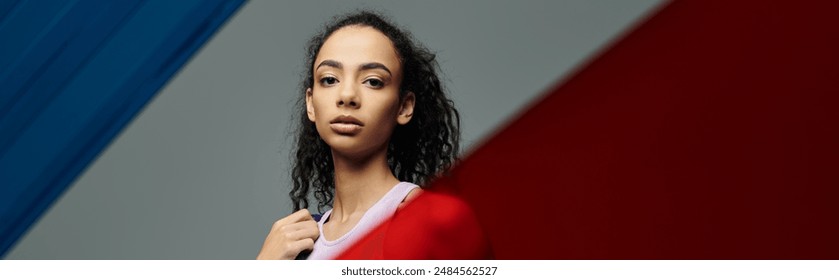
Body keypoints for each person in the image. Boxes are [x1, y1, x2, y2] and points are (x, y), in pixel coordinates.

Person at [256, 10, 461, 260]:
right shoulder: (296, 243)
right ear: (311, 103)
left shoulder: (425, 217)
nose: (347, 96)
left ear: (404, 106)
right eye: (330, 79)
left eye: (373, 81)